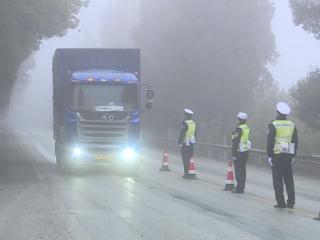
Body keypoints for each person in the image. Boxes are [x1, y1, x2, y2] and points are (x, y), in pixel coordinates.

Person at [267, 102, 298, 208]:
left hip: (277, 155)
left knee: (277, 180)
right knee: (289, 179)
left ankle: (281, 203)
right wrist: (293, 155)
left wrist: (269, 155)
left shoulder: (274, 124)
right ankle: (291, 202)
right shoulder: (292, 125)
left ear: (277, 112)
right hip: (288, 155)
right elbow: (295, 141)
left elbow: (270, 141)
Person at [231, 112, 251, 193]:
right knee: (243, 170)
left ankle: (239, 188)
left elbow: (236, 141)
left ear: (240, 119)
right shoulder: (247, 128)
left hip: (239, 151)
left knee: (238, 170)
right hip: (246, 151)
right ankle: (242, 187)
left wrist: (233, 153)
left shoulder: (239, 129)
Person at [178, 108, 197, 178]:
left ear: (186, 116)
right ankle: (190, 171)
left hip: (185, 143)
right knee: (190, 158)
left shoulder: (185, 123)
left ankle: (186, 173)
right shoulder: (193, 123)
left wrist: (179, 142)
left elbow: (182, 133)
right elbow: (195, 134)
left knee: (185, 158)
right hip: (191, 144)